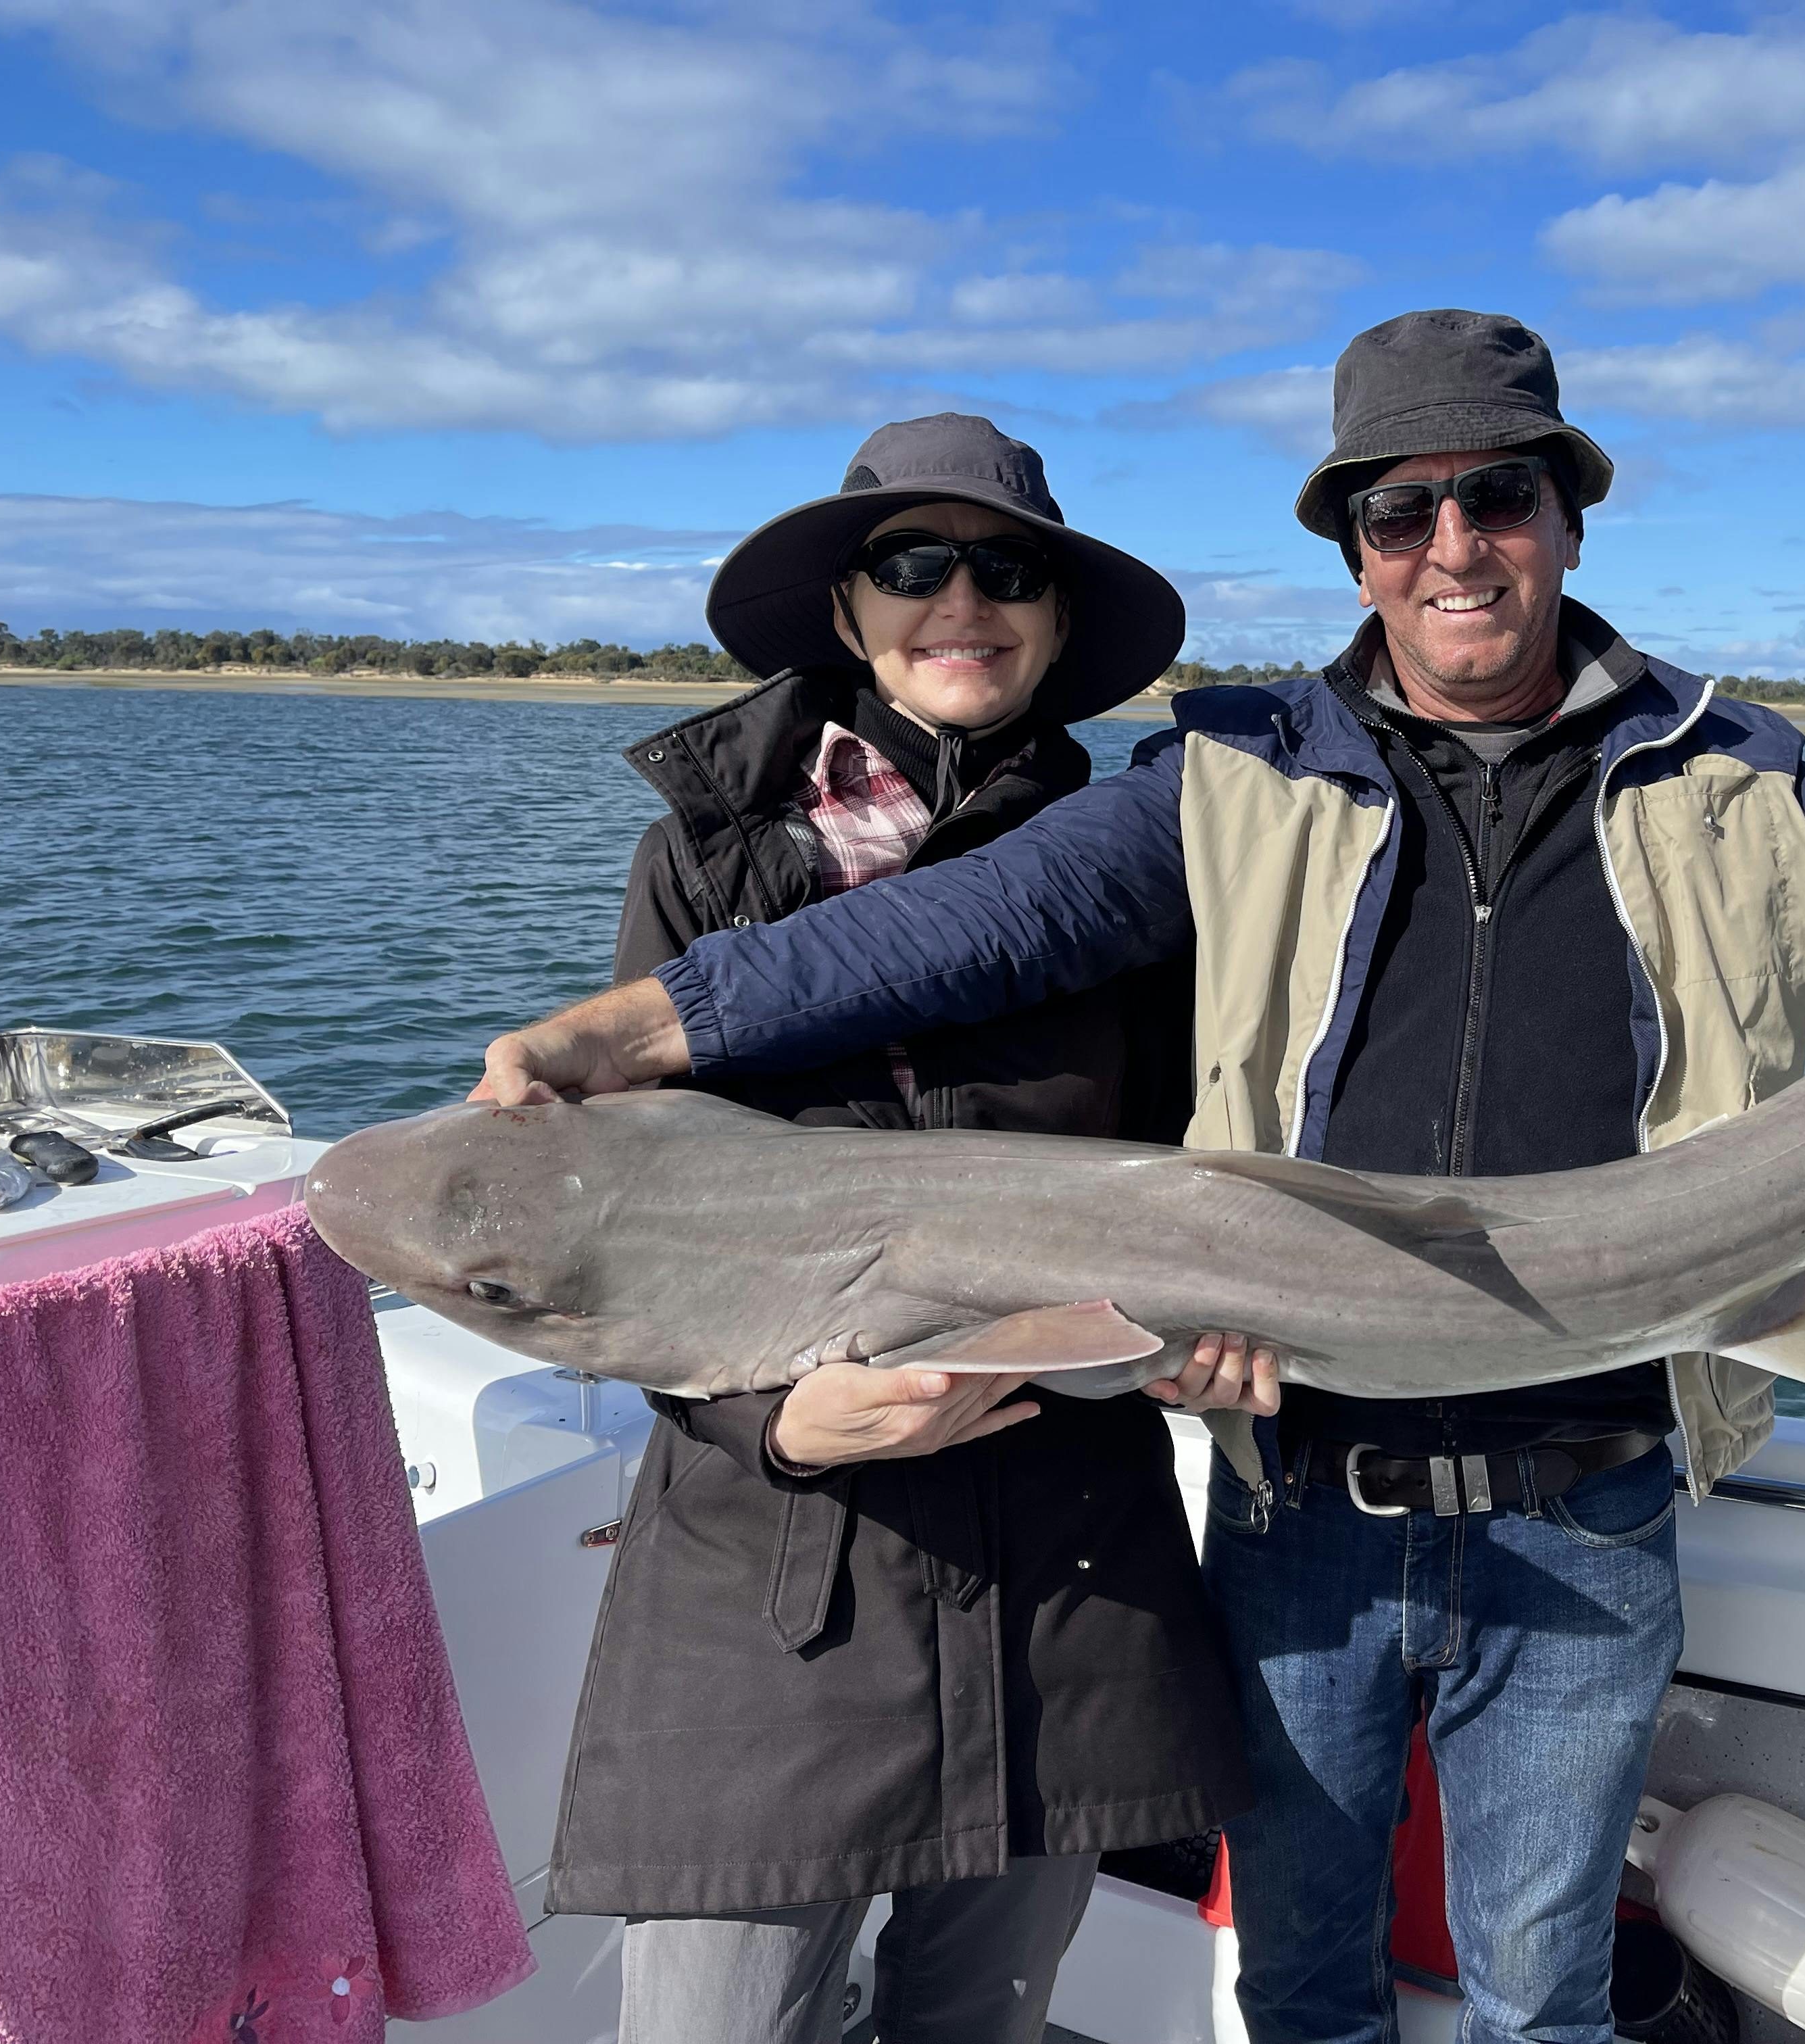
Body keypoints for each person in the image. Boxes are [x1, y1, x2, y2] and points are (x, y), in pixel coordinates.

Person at [479, 313, 1805, 2044]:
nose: (1453, 545)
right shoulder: (1233, 772)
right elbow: (959, 933)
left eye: (1497, 494)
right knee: (1309, 2003)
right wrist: (650, 1024)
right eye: (1396, 507)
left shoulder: (1742, 775)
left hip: (1590, 1503)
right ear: (1352, 550)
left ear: (1570, 516)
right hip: (1300, 1502)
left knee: (1541, 2004)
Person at [537, 413, 1266, 2044]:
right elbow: (605, 1234)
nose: (964, 599)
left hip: (1068, 1584)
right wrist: (779, 1420)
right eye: (913, 564)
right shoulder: (708, 864)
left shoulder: (1151, 879)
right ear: (849, 609)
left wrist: (1207, 1346)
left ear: (1062, 620)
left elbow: (1207, 1182)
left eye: (1008, 568)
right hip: (777, 1588)